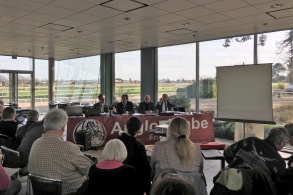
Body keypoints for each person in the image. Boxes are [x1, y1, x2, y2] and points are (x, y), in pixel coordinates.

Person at [28, 108, 93, 195]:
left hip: (41, 191)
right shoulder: (68, 147)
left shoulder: (35, 143)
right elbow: (90, 169)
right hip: (69, 191)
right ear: (63, 126)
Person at [224, 127, 289, 181]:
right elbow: (272, 184)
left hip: (224, 181)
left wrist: (236, 163)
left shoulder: (250, 140)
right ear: (281, 143)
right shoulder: (280, 163)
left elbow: (227, 153)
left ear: (269, 136)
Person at [151, 117, 203, 182]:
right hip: (192, 190)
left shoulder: (159, 146)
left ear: (169, 129)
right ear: (187, 130)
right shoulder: (197, 148)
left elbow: (152, 168)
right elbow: (200, 171)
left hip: (163, 189)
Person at [118, 116, 152, 194]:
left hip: (117, 180)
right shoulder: (139, 146)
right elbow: (146, 168)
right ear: (139, 130)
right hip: (135, 184)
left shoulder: (117, 141)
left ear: (126, 127)